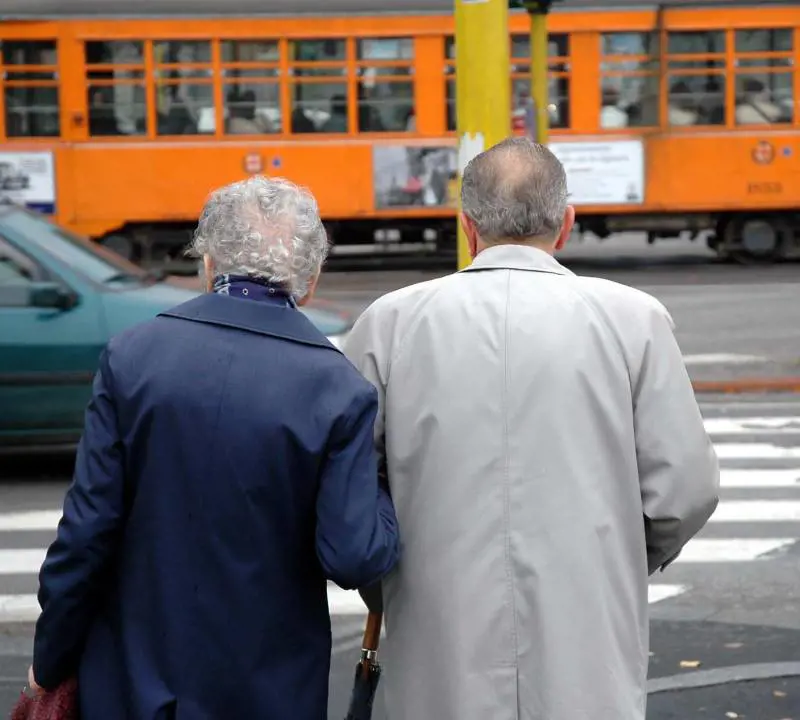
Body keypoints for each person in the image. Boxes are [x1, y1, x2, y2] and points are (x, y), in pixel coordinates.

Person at [344, 137, 720, 720]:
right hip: (586, 618)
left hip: (437, 619)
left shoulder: (389, 322)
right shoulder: (633, 320)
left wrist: (389, 577)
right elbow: (686, 488)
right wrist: (617, 553)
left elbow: (353, 483)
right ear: (565, 223)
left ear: (467, 227)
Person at [28, 176, 401, 719]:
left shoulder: (133, 356)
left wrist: (52, 656)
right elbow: (354, 554)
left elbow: (86, 534)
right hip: (269, 692)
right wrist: (385, 493)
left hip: (133, 684)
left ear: (208, 264)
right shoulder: (337, 389)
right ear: (311, 278)